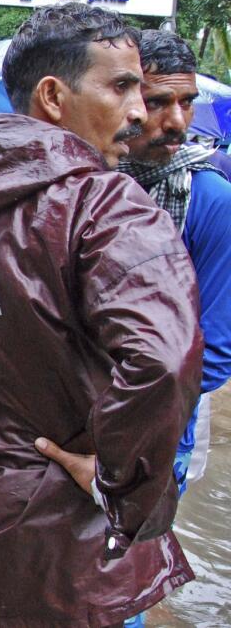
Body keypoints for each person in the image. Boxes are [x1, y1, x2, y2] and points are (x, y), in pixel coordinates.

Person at [0, 3, 201, 626]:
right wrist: (119, 486)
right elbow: (163, 360)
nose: (139, 111)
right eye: (122, 86)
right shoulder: (104, 204)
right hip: (63, 563)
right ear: (53, 96)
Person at [118, 29, 231, 498]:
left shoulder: (210, 200)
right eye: (158, 101)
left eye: (186, 102)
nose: (177, 121)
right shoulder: (85, 185)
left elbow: (216, 352)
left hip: (159, 436)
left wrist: (108, 412)